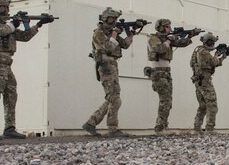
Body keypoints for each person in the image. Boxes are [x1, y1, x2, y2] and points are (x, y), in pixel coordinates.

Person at [0, 0, 51, 140]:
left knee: (11, 95)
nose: (6, 10)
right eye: (2, 8)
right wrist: (14, 23)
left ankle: (9, 127)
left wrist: (39, 25)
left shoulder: (8, 26)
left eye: (7, 8)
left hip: (6, 65)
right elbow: (2, 31)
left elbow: (24, 36)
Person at [82, 7, 138, 137]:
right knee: (115, 98)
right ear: (105, 19)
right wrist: (114, 34)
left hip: (113, 65)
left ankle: (91, 123)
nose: (114, 21)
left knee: (112, 97)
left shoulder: (111, 33)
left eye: (115, 19)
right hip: (106, 65)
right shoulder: (98, 33)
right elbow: (107, 48)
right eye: (111, 19)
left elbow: (124, 44)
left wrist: (131, 34)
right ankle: (112, 129)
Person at [145, 19, 198, 133]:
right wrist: (170, 39)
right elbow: (158, 49)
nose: (170, 29)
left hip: (166, 72)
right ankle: (159, 128)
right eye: (168, 27)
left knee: (168, 101)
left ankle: (163, 125)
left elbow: (181, 43)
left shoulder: (167, 40)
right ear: (161, 28)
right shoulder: (153, 39)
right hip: (158, 72)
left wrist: (190, 36)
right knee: (164, 100)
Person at [190, 32, 227, 133]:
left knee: (202, 106)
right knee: (212, 105)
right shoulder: (203, 52)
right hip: (205, 82)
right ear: (209, 42)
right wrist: (218, 55)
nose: (213, 45)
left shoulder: (197, 50)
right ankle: (210, 129)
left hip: (199, 81)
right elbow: (214, 63)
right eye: (212, 42)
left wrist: (222, 56)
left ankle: (197, 128)